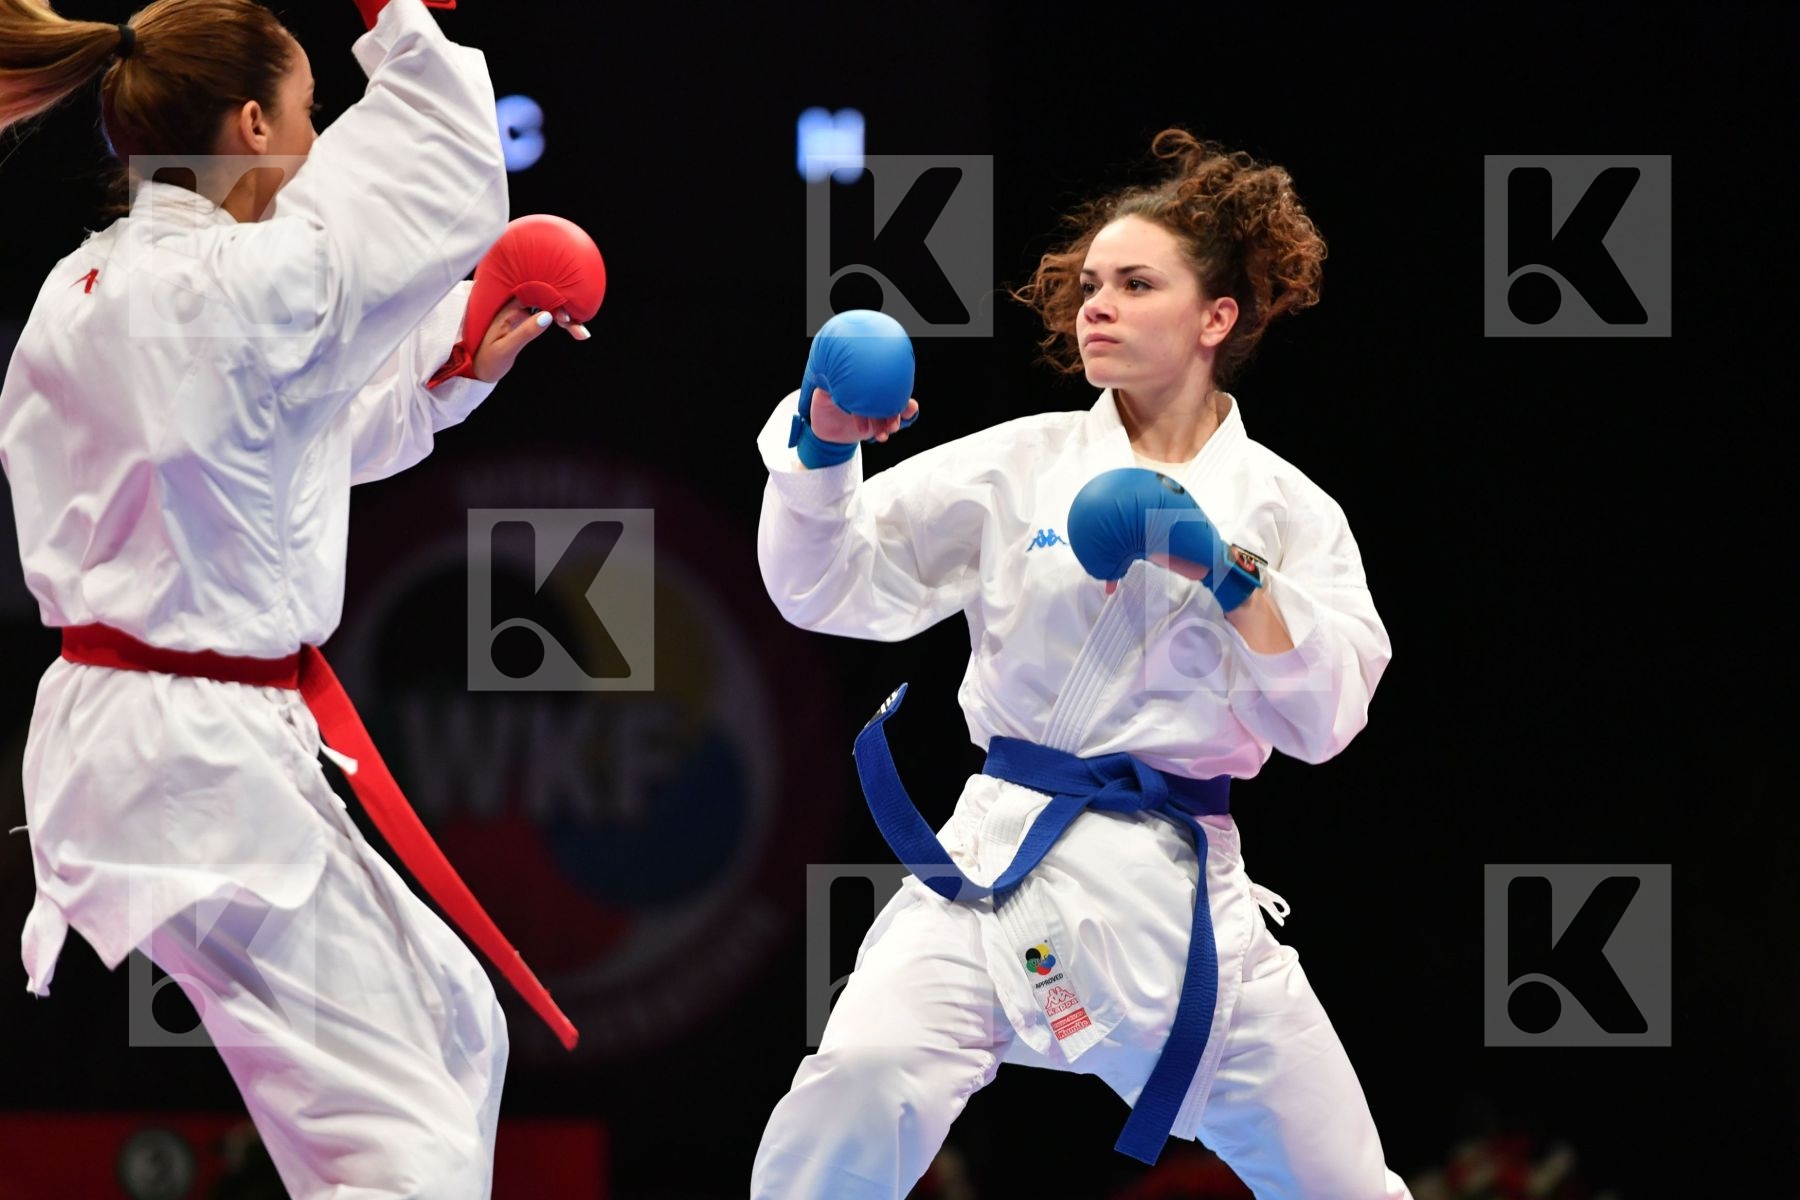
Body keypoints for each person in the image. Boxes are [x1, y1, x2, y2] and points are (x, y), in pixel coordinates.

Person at [752, 129, 1412, 1199]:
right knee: (862, 1078)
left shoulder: (1287, 513)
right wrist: (826, 445)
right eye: (1092, 283)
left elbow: (1328, 721)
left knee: (1344, 1185)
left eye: (1135, 283)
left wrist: (1228, 571)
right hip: (996, 866)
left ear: (1216, 317)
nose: (1095, 304)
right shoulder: (1022, 464)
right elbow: (826, 585)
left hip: (1183, 893)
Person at [0, 1, 588, 1196]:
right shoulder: (249, 281)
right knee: (401, 1132)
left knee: (453, 1025)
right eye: (316, 110)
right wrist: (403, 23)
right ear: (257, 122)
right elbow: (447, 171)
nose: (322, 138)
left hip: (146, 749)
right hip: (195, 763)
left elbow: (270, 455)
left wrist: (449, 364)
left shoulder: (83, 286)